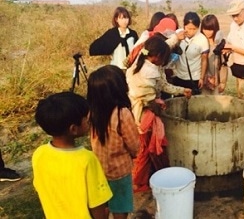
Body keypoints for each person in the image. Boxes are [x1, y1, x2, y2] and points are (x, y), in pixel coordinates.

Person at [126, 36, 192, 191]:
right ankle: (139, 181)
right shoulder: (149, 72)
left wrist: (176, 37)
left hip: (139, 106)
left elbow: (164, 46)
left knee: (148, 146)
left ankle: (151, 174)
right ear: (156, 57)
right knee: (146, 147)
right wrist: (159, 103)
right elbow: (160, 88)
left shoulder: (142, 56)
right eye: (164, 57)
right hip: (143, 113)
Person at [33, 92, 112, 219]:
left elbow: (41, 188)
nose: (89, 120)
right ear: (73, 129)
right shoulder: (86, 159)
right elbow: (97, 204)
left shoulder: (39, 154)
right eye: (86, 119)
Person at [87, 65, 140, 219]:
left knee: (103, 206)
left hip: (99, 169)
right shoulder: (121, 113)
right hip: (120, 171)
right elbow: (133, 144)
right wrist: (135, 155)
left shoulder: (92, 112)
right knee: (120, 207)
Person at [172, 12, 209, 95]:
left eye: (194, 29)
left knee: (194, 104)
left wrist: (201, 78)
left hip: (194, 78)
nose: (191, 31)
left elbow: (204, 60)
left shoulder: (202, 39)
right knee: (179, 102)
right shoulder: (177, 34)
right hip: (179, 76)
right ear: (184, 25)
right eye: (188, 28)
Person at [200, 14, 228, 94]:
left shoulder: (220, 45)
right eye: (205, 29)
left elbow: (223, 65)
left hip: (216, 81)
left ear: (215, 29)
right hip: (202, 80)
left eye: (210, 29)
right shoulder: (199, 43)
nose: (207, 32)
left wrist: (222, 83)